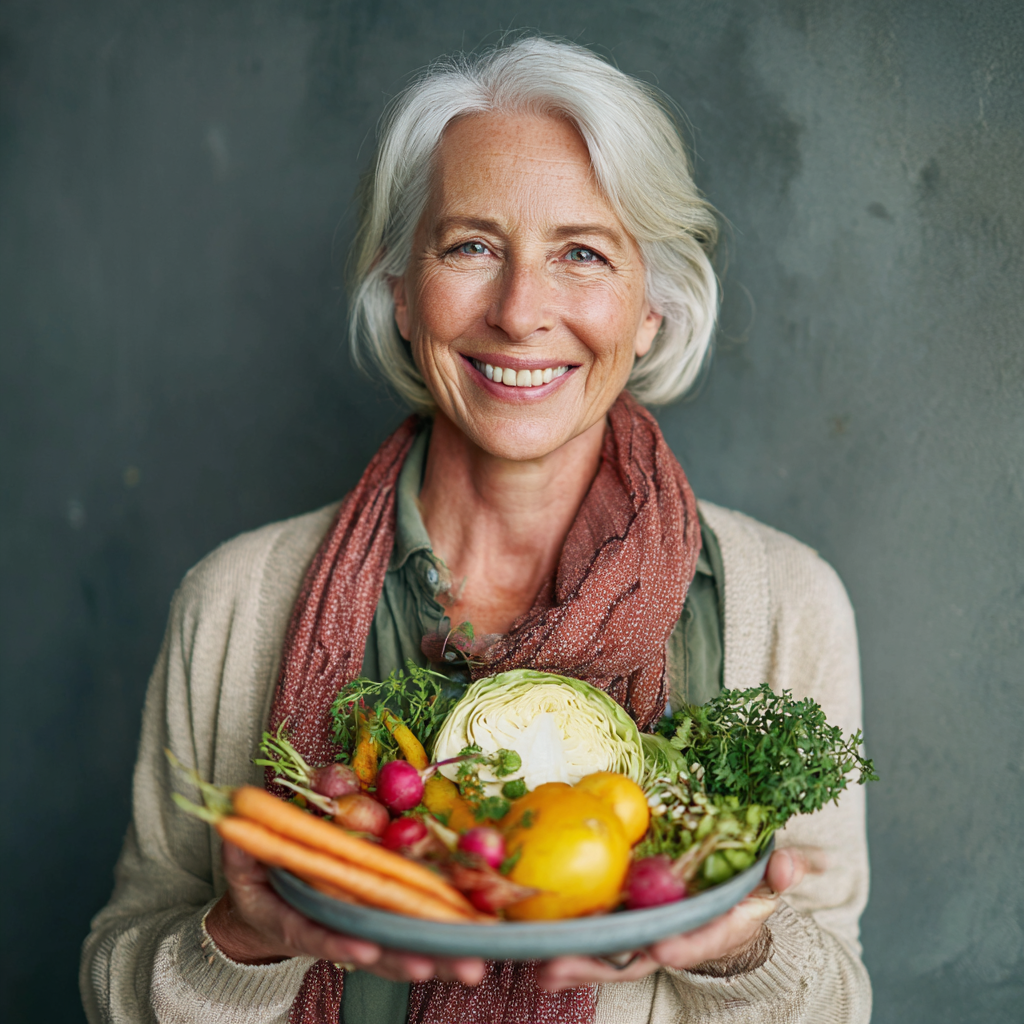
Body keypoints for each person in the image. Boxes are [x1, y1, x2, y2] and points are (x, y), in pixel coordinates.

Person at [81, 37, 871, 1024]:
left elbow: (837, 998)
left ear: (652, 307)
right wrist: (243, 939)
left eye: (582, 253)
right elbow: (119, 984)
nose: (519, 311)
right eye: (471, 247)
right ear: (401, 291)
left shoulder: (784, 603)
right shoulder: (233, 602)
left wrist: (744, 948)